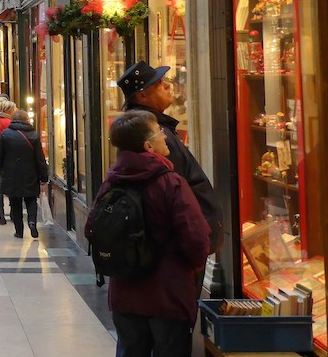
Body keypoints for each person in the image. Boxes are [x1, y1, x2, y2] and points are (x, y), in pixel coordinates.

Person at [85, 110, 209, 356]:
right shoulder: (171, 183)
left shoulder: (112, 181)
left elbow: (92, 227)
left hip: (125, 292)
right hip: (168, 294)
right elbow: (195, 237)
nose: (164, 135)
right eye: (158, 131)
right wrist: (193, 269)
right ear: (148, 145)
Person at [118, 61, 224, 256]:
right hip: (178, 251)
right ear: (142, 95)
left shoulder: (147, 130)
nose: (167, 85)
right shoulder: (154, 137)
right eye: (159, 83)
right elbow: (172, 195)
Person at [0, 110, 48, 238]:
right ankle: (32, 222)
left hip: (11, 174)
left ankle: (19, 231)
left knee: (15, 202)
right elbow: (40, 159)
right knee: (31, 199)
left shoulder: (6, 134)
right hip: (30, 173)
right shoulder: (33, 135)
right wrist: (43, 177)